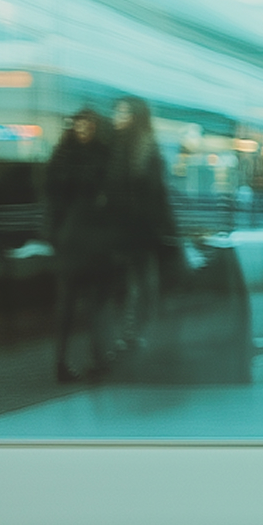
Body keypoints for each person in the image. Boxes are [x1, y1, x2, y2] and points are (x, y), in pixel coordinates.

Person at [46, 108, 115, 382]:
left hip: (77, 239)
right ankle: (85, 361)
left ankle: (77, 361)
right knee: (87, 303)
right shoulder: (102, 156)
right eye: (80, 125)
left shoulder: (63, 157)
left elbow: (52, 199)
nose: (83, 130)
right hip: (83, 240)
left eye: (88, 125)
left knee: (78, 303)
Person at [105, 95, 176, 352]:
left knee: (139, 284)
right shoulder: (116, 147)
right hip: (122, 230)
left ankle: (135, 333)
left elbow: (156, 195)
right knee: (132, 284)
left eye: (124, 113)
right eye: (117, 112)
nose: (118, 118)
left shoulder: (146, 150)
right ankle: (131, 332)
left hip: (139, 232)